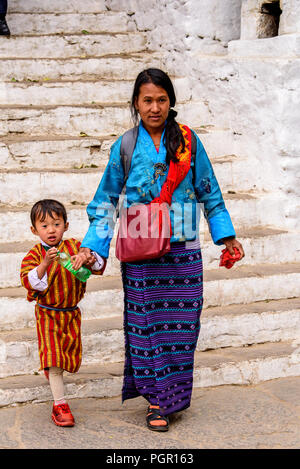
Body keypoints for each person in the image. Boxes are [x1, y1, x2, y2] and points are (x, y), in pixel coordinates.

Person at [76, 68, 245, 432]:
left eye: (162, 100)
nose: (155, 107)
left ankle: (172, 394)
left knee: (182, 328)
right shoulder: (124, 144)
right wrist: (93, 246)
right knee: (147, 329)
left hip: (182, 249)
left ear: (171, 102)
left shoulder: (188, 141)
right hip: (140, 252)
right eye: (147, 100)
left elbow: (209, 191)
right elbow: (106, 201)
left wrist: (226, 236)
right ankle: (157, 401)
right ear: (136, 103)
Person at [20, 199, 105, 427]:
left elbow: (96, 267)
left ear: (65, 226)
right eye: (44, 225)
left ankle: (52, 369)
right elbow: (31, 282)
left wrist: (87, 258)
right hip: (48, 315)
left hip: (70, 315)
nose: (51, 230)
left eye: (56, 224)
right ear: (34, 230)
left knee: (67, 355)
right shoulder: (34, 254)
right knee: (54, 359)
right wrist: (45, 264)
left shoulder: (75, 247)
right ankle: (60, 405)